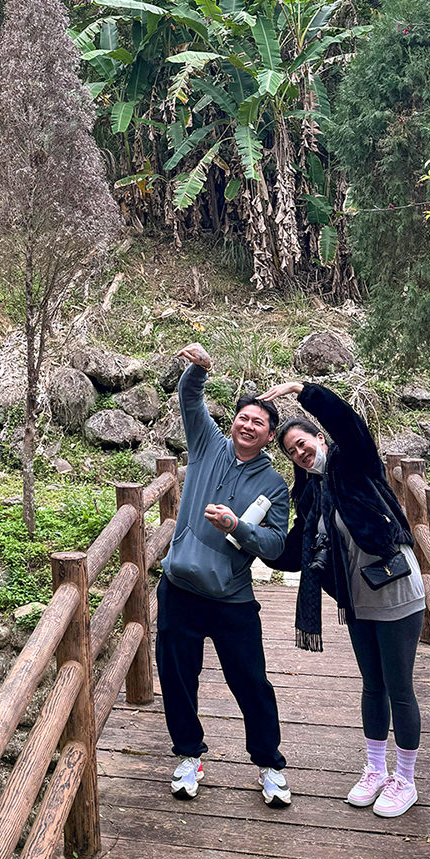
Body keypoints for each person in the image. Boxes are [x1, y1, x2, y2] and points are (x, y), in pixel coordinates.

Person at [260, 379, 426, 818]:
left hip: (395, 590)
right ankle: (374, 769)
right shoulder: (312, 493)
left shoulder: (354, 462)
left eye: (302, 444)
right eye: (291, 452)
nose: (299, 454)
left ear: (318, 436)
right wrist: (241, 535)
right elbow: (293, 552)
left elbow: (351, 426)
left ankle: (404, 779)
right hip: (356, 598)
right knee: (373, 686)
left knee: (399, 687)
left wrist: (304, 390)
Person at [157, 343, 292, 807]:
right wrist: (200, 369)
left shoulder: (274, 485)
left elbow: (275, 545)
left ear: (269, 436)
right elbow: (190, 401)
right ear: (232, 423)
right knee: (177, 677)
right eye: (243, 417)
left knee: (251, 681)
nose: (247, 425)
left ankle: (270, 763)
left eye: (258, 422)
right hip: (178, 588)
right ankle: (189, 755)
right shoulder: (208, 445)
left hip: (232, 598)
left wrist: (239, 527)